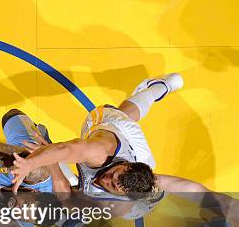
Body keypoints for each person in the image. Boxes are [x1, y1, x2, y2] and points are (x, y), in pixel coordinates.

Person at [11, 74, 184, 199]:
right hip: (118, 129)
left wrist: (53, 164)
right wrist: (32, 162)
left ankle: (158, 88)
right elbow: (66, 149)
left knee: (70, 189)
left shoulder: (121, 203)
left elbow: (68, 201)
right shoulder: (99, 152)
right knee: (123, 115)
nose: (106, 178)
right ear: (125, 165)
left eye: (112, 184)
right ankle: (158, 88)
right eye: (114, 174)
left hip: (133, 192)